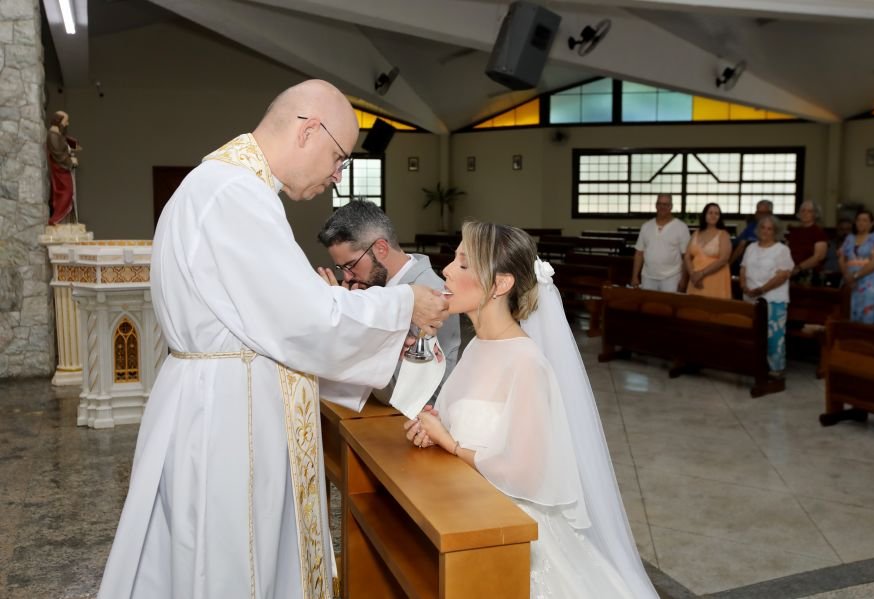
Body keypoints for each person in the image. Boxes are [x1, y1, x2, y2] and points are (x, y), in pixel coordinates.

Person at [97, 80, 449, 599]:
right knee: (230, 566)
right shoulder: (235, 193)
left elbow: (280, 311)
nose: (337, 176)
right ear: (309, 130)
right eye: (339, 157)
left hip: (221, 400)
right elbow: (305, 321)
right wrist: (403, 305)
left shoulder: (224, 185)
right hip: (228, 420)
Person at [406, 222, 659, 598]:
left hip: (510, 530)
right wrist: (431, 428)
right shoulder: (478, 346)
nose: (446, 270)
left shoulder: (526, 362)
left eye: (463, 263)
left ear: (500, 284)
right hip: (465, 512)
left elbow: (526, 473)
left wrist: (451, 445)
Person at [316, 199, 460, 401]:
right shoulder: (373, 289)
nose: (347, 277)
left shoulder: (433, 297)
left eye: (351, 265)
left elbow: (401, 392)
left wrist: (349, 321)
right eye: (342, 268)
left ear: (381, 248)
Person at [740, 216, 794, 378]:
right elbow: (743, 268)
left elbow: (783, 275)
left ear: (775, 232)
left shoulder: (781, 250)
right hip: (750, 297)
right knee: (752, 334)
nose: (765, 231)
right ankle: (755, 365)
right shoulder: (751, 247)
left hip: (773, 298)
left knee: (773, 336)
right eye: (763, 227)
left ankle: (776, 369)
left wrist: (762, 289)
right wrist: (744, 286)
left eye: (770, 229)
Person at [630, 193, 690, 292]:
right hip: (648, 277)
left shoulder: (681, 227)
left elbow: (686, 256)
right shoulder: (646, 226)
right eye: (660, 204)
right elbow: (639, 253)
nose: (662, 207)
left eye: (666, 204)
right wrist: (634, 276)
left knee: (668, 302)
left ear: (671, 206)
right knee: (648, 302)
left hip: (671, 277)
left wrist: (684, 279)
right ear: (656, 205)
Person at [838, 209, 874, 324]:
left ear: (872, 223)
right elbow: (842, 258)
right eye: (858, 220)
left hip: (870, 278)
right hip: (849, 279)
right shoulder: (849, 238)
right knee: (846, 300)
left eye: (865, 220)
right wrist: (847, 276)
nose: (861, 223)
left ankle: (867, 332)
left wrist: (856, 275)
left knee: (869, 296)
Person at [684, 202, 732, 299]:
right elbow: (687, 256)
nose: (713, 215)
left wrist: (702, 274)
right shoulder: (696, 233)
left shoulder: (723, 234)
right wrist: (693, 275)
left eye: (716, 213)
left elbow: (724, 259)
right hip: (695, 279)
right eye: (710, 213)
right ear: (704, 215)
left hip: (715, 278)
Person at [47, 110, 81, 225]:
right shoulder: (52, 136)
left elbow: (63, 145)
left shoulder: (57, 135)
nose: (67, 124)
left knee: (68, 193)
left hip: (63, 169)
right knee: (66, 192)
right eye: (66, 121)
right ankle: (56, 219)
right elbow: (58, 155)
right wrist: (71, 161)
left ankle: (64, 220)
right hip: (60, 170)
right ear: (59, 121)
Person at [788, 201, 828, 286]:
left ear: (815, 214)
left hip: (810, 274)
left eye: (809, 211)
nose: (805, 214)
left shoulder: (818, 232)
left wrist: (799, 268)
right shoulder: (794, 232)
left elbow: (819, 256)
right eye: (803, 211)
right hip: (791, 272)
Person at [729, 199, 774, 268]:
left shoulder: (775, 227)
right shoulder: (751, 226)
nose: (759, 215)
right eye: (758, 212)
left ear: (770, 213)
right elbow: (737, 242)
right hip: (748, 261)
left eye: (763, 213)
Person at [822, 217, 852, 287]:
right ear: (837, 230)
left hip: (847, 277)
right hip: (828, 276)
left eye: (848, 229)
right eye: (842, 229)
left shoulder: (857, 246)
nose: (845, 232)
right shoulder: (829, 244)